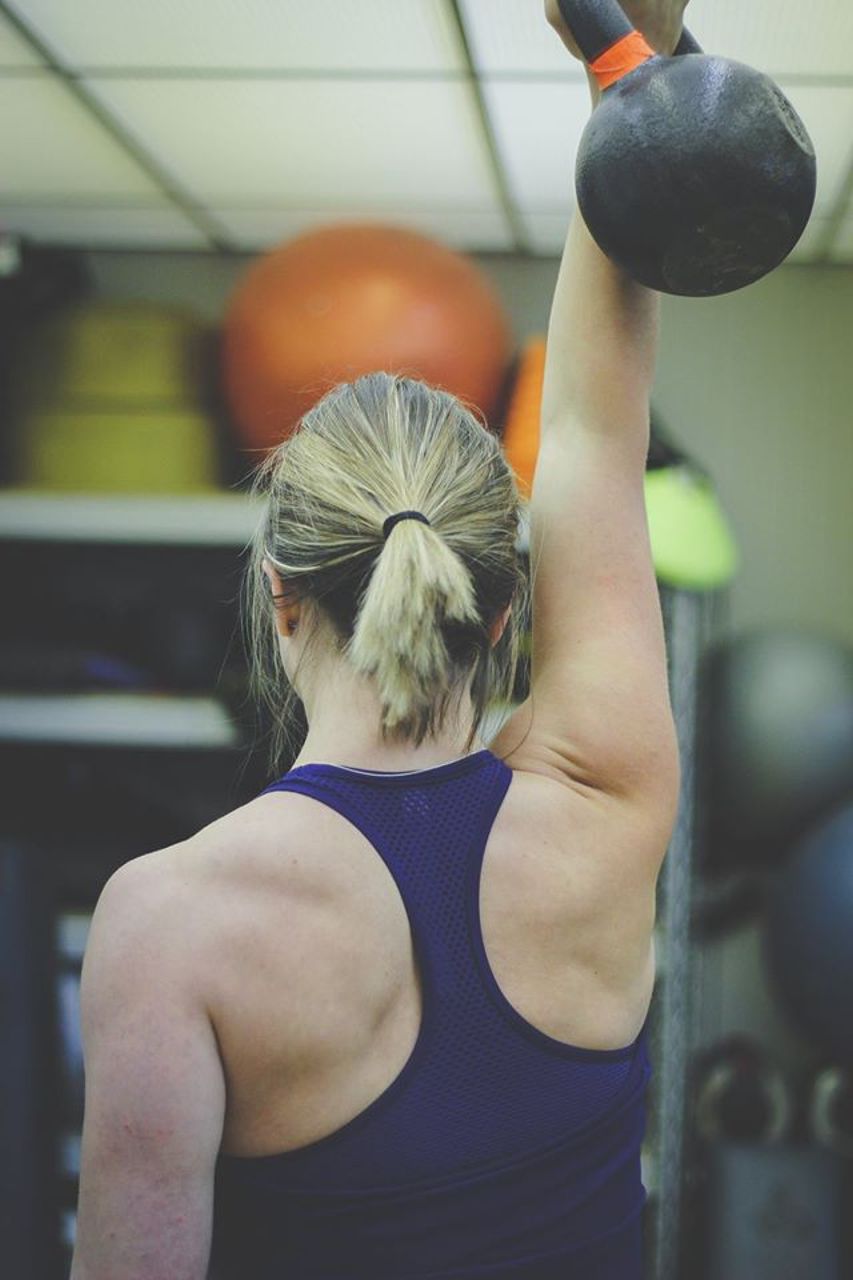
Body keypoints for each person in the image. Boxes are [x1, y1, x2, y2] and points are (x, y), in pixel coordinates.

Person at [71, 2, 686, 1276]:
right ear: (504, 608)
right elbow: (588, 434)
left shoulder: (172, 919)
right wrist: (636, 72)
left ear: (280, 594)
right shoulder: (605, 798)